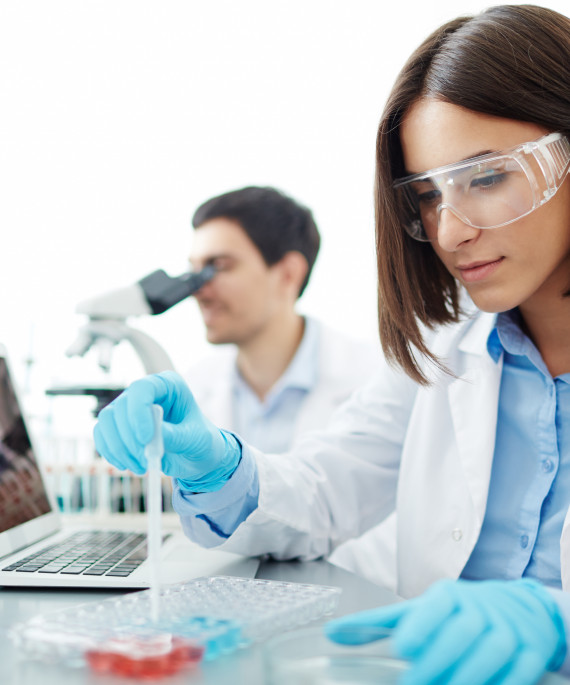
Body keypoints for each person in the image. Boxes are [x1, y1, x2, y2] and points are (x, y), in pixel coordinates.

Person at [93, 5, 570, 684]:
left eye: (486, 177)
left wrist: (557, 620)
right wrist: (216, 468)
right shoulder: (445, 346)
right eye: (428, 196)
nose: (451, 231)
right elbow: (324, 493)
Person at [184, 186, 379, 453]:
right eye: (194, 270)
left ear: (288, 274)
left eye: (217, 267)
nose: (197, 290)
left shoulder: (373, 381)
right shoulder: (194, 389)